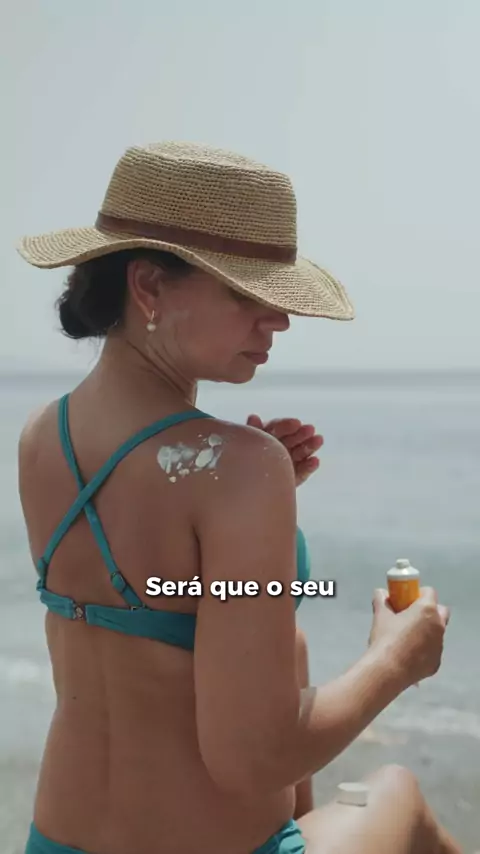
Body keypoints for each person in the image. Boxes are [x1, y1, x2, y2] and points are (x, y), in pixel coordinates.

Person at [16, 141, 461, 854]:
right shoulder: (237, 468)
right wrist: (396, 657)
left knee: (297, 655)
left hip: (57, 839)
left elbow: (145, 610)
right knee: (396, 793)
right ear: (149, 287)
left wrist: (249, 516)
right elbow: (253, 757)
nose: (278, 321)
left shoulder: (45, 434)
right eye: (248, 295)